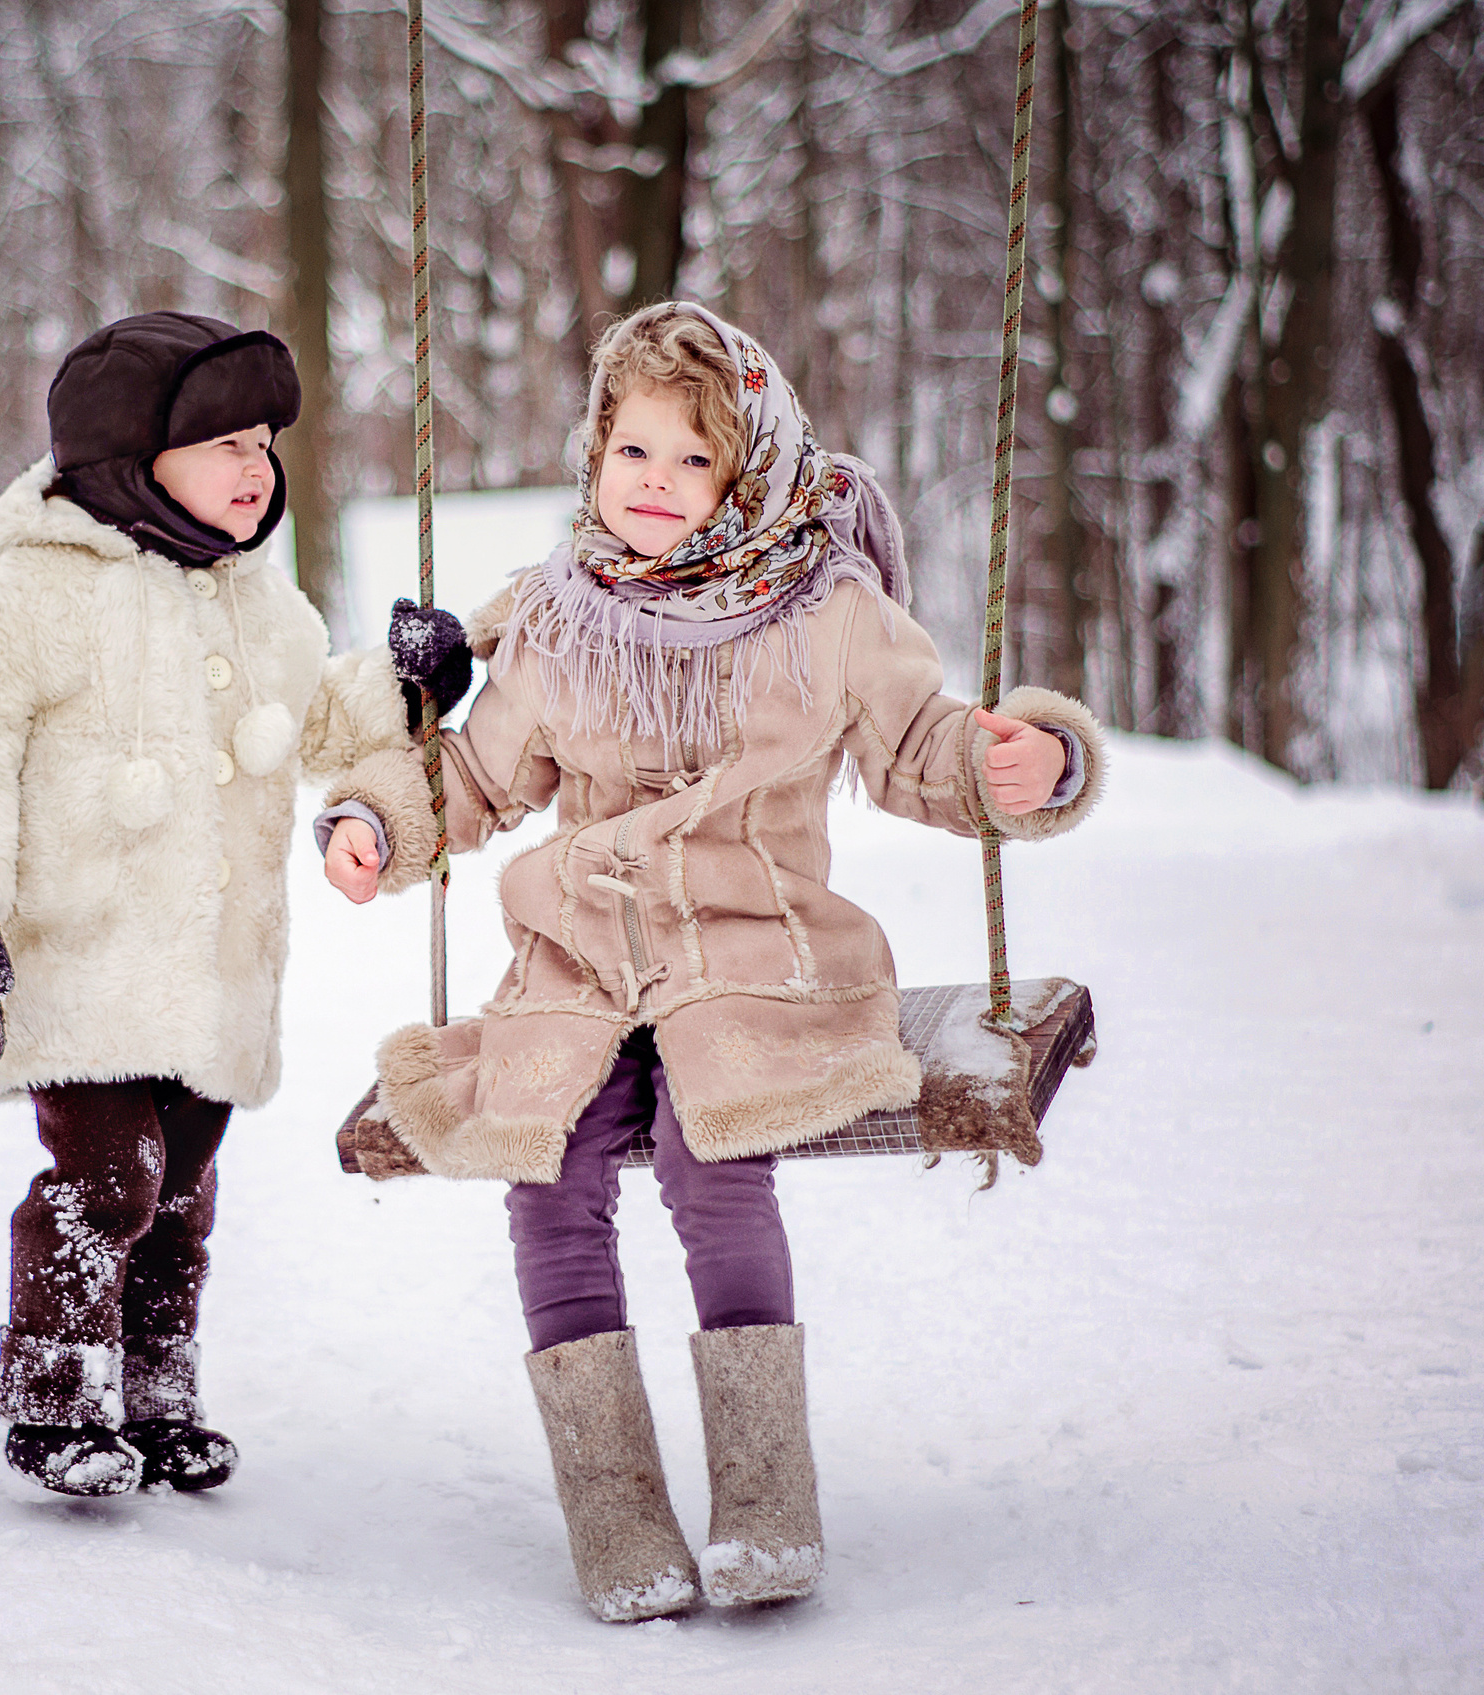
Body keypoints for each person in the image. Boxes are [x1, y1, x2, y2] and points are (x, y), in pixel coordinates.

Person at [317, 302, 1105, 1620]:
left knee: (713, 1149)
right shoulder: (564, 616)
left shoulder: (825, 609)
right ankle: (616, 1506)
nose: (660, 486)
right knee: (548, 1165)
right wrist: (380, 818)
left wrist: (1028, 757)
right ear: (595, 457)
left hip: (757, 954)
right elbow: (476, 772)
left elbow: (925, 744)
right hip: (581, 960)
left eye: (696, 460)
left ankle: (762, 1498)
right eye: (635, 452)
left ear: (749, 470)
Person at [0, 311, 462, 1498]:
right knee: (106, 1183)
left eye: (264, 444)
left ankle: (156, 1390)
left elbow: (325, 721)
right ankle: (55, 1397)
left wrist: (408, 683)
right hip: (76, 956)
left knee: (182, 1193)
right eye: (224, 446)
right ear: (129, 459)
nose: (256, 471)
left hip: (211, 970)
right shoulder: (30, 596)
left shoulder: (256, 600)